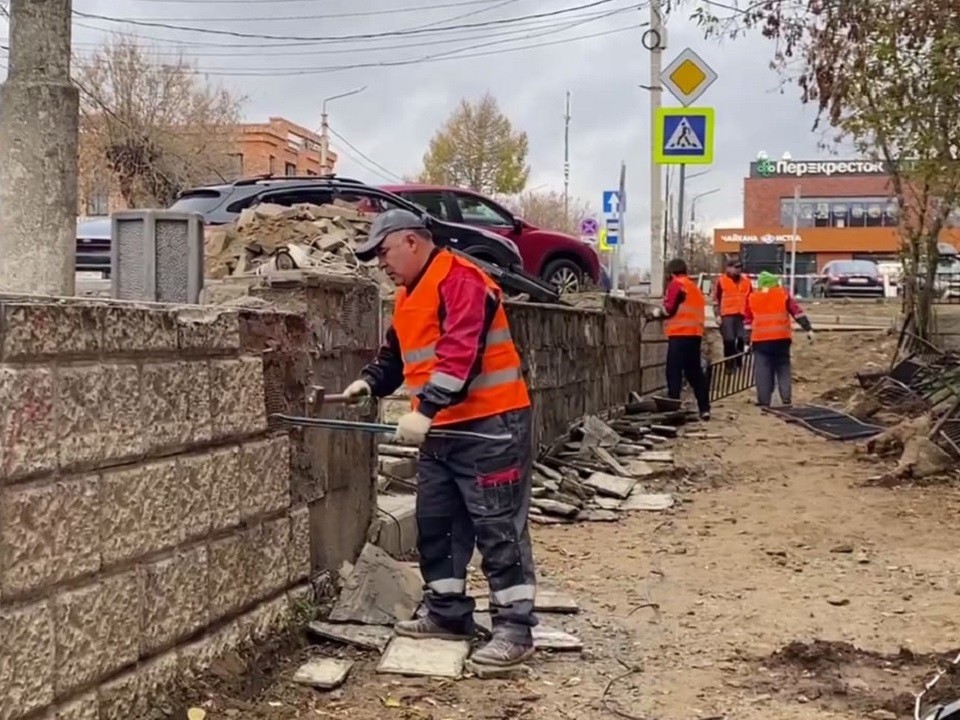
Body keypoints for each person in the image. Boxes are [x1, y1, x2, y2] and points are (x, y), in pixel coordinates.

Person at [342, 209, 537, 668]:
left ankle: (515, 628)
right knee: (438, 525)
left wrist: (425, 410)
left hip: (490, 426)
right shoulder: (409, 293)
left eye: (384, 253)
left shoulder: (461, 278)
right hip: (442, 432)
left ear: (411, 241)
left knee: (498, 529)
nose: (381, 265)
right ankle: (448, 614)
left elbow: (459, 355)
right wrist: (370, 382)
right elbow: (397, 355)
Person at [647, 258, 711, 420]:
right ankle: (704, 408)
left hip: (680, 333)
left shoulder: (677, 284)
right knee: (694, 373)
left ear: (671, 273)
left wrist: (655, 314)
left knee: (673, 370)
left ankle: (673, 407)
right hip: (694, 334)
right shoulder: (693, 288)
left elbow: (669, 309)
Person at [744, 271, 814, 407]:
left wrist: (746, 342)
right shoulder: (783, 294)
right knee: (783, 367)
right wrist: (808, 328)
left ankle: (764, 400)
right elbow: (797, 312)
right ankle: (786, 398)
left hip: (760, 340)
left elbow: (747, 322)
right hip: (782, 339)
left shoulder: (752, 297)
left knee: (762, 370)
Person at [713, 258, 752, 369]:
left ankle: (739, 364)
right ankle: (729, 366)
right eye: (736, 267)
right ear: (728, 268)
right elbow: (716, 299)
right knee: (729, 340)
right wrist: (717, 315)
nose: (738, 270)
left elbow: (751, 298)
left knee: (741, 339)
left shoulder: (746, 282)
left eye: (740, 267)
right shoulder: (721, 281)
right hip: (727, 315)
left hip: (742, 315)